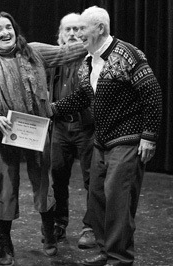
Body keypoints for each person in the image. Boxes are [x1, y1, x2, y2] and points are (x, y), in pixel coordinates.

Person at [0, 11, 86, 264]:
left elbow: (68, 53)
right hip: (6, 134)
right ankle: (4, 243)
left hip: (37, 130)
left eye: (8, 27)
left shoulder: (34, 52)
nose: (4, 32)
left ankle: (48, 232)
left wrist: (96, 37)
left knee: (43, 183)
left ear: (15, 30)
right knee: (6, 185)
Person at [51, 6, 162, 266]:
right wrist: (52, 109)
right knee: (98, 197)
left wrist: (149, 136)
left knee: (118, 199)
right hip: (102, 140)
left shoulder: (127, 54)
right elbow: (83, 97)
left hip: (128, 139)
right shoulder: (89, 61)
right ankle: (105, 249)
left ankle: (119, 257)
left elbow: (153, 93)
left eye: (82, 29)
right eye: (74, 29)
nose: (77, 34)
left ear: (100, 28)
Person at [47, 13, 96, 249]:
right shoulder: (52, 61)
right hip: (59, 126)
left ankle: (91, 227)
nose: (73, 34)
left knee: (92, 179)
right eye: (68, 30)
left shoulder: (92, 59)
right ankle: (59, 223)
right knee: (58, 177)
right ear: (60, 35)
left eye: (78, 29)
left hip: (86, 126)